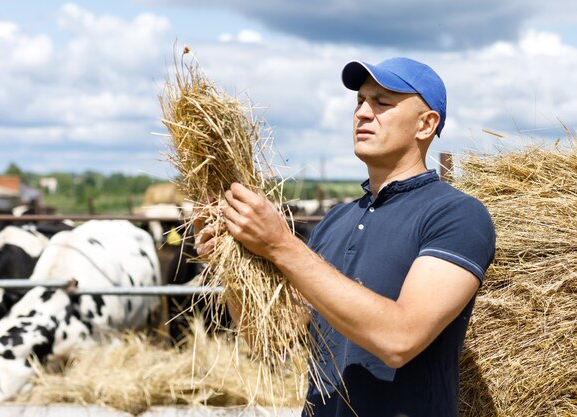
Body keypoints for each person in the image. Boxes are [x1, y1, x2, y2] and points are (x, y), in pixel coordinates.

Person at [196, 57, 496, 417]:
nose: (363, 113)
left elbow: (400, 339)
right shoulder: (335, 220)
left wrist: (280, 244)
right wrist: (232, 262)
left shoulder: (457, 215)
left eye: (382, 102)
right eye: (359, 102)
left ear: (426, 124)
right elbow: (273, 339)